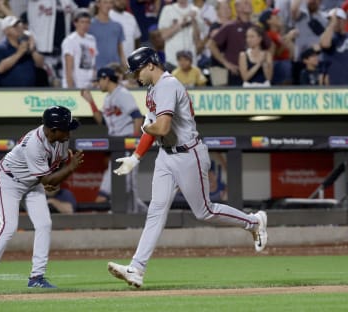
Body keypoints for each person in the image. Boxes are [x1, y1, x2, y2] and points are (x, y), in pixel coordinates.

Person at [106, 47, 268, 288]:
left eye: (138, 70)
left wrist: (145, 128)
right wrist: (136, 157)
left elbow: (159, 128)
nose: (135, 75)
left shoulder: (168, 85)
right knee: (156, 211)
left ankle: (254, 222)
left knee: (204, 212)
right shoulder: (152, 89)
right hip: (166, 155)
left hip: (187, 154)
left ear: (151, 65)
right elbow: (155, 130)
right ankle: (137, 268)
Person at [0, 106, 84, 290]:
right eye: (66, 128)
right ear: (53, 130)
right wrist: (69, 169)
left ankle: (36, 277)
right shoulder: (34, 144)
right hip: (9, 179)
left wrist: (57, 177)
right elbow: (47, 179)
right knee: (9, 226)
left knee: (44, 224)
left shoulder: (61, 140)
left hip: (32, 183)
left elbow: (50, 178)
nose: (69, 132)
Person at [80, 67, 147, 213]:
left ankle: (142, 219)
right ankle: (146, 217)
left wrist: (134, 142)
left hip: (127, 147)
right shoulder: (109, 97)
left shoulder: (122, 94)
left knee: (128, 189)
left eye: (99, 81)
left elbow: (138, 117)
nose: (97, 84)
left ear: (106, 79)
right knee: (125, 190)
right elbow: (102, 121)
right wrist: (90, 102)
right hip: (117, 148)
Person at [0, 15, 44, 87]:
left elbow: (40, 64)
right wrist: (19, 53)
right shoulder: (0, 48)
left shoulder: (27, 43)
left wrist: (32, 49)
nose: (18, 28)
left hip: (30, 90)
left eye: (19, 25)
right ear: (6, 31)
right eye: (14, 26)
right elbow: (0, 69)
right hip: (9, 92)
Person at [61, 8, 97, 88]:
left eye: (87, 22)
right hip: (75, 86)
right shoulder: (70, 41)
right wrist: (71, 88)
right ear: (75, 23)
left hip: (89, 85)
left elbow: (93, 63)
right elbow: (68, 69)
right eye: (82, 22)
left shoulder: (92, 40)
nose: (85, 25)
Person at [89, 0, 125, 70]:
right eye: (105, 2)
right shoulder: (89, 26)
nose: (108, 5)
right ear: (98, 4)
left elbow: (120, 51)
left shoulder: (117, 26)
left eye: (110, 2)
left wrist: (125, 69)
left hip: (115, 70)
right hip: (96, 70)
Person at [320, 8, 348, 85]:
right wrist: (332, 24)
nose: (334, 21)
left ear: (344, 21)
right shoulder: (328, 36)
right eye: (330, 20)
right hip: (333, 83)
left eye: (337, 19)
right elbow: (325, 44)